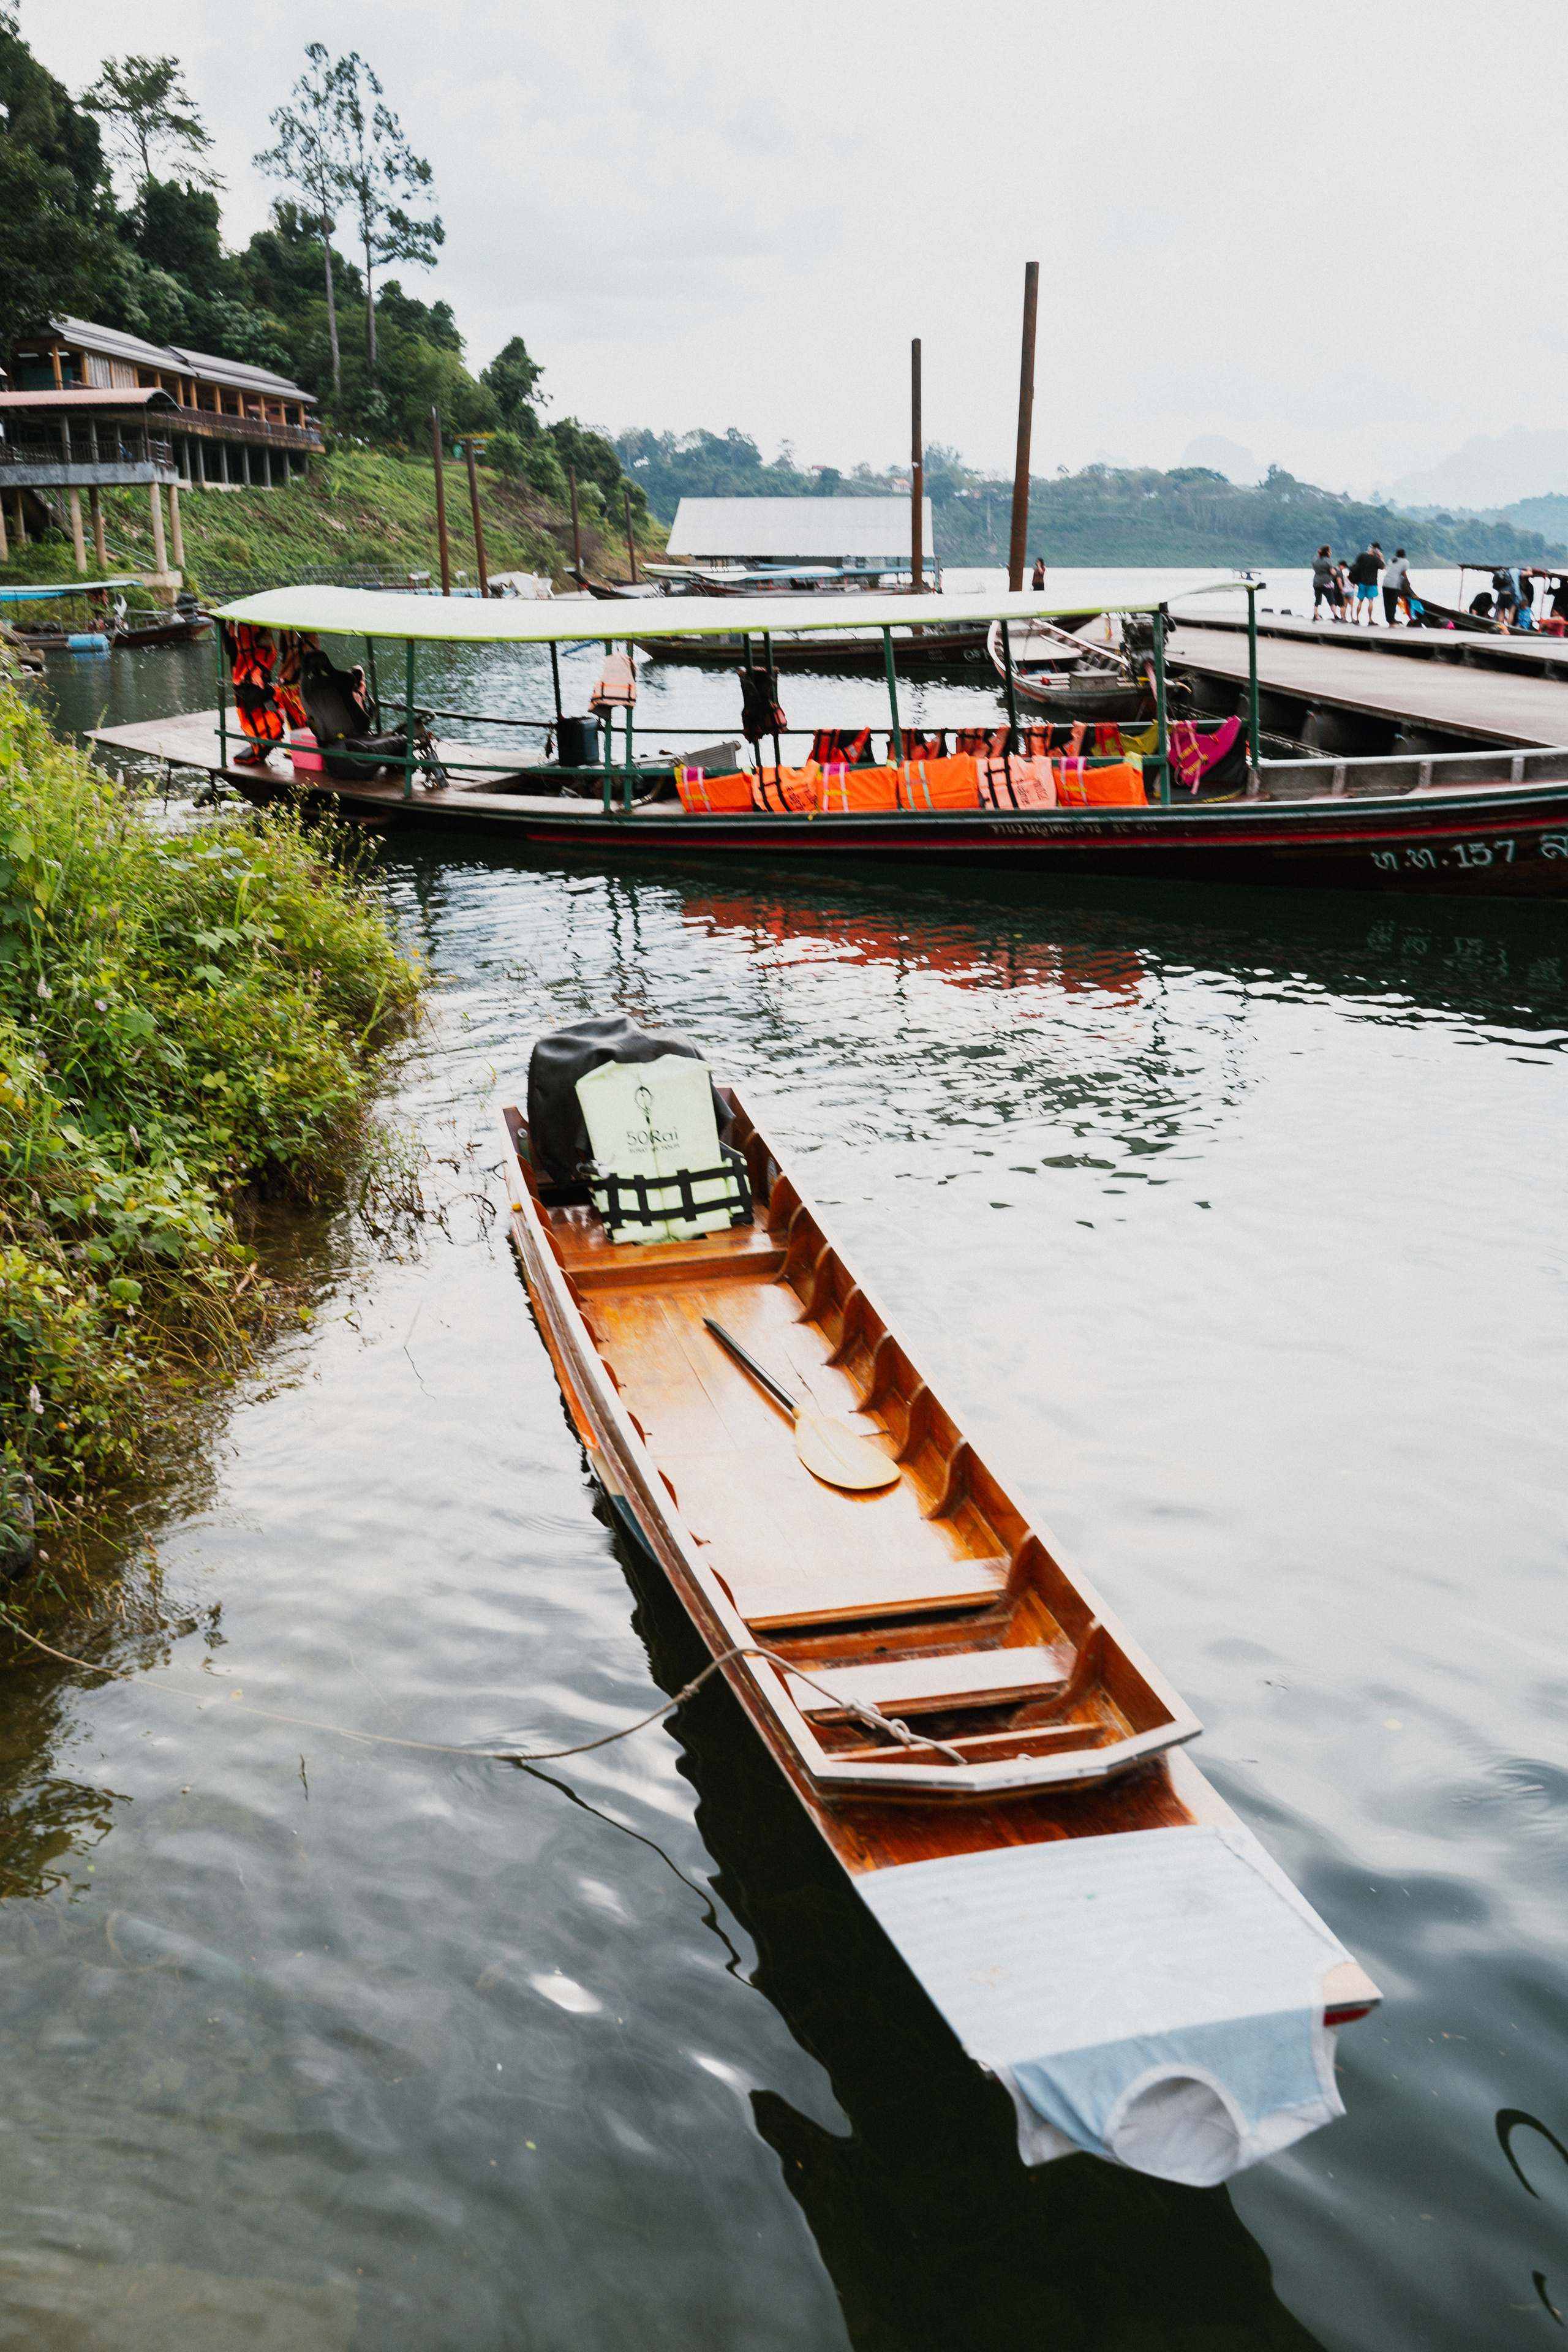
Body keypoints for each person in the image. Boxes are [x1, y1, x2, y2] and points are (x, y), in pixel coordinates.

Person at [1348, 542, 1384, 625]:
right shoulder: (1376, 559)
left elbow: (1355, 566)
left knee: (1360, 601)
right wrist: (1381, 557)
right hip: (1372, 583)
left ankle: (1357, 619)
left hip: (1362, 582)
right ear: (1376, 550)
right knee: (1371, 601)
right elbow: (1383, 567)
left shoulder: (1362, 556)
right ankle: (1370, 620)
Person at [1382, 548, 1412, 626]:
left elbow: (1388, 570)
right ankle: (1392, 620)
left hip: (1385, 583)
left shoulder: (1391, 560)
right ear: (1404, 555)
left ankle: (1389, 620)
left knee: (1387, 602)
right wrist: (1407, 583)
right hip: (1394, 584)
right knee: (1393, 602)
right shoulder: (1405, 562)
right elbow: (1404, 574)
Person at [1312, 545, 1335, 621]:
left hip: (1316, 582)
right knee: (1331, 600)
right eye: (1330, 551)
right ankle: (1335, 615)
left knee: (1317, 600)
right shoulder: (1328, 560)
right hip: (1326, 583)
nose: (1331, 552)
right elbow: (1333, 572)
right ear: (1327, 552)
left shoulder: (1316, 561)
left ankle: (1316, 615)